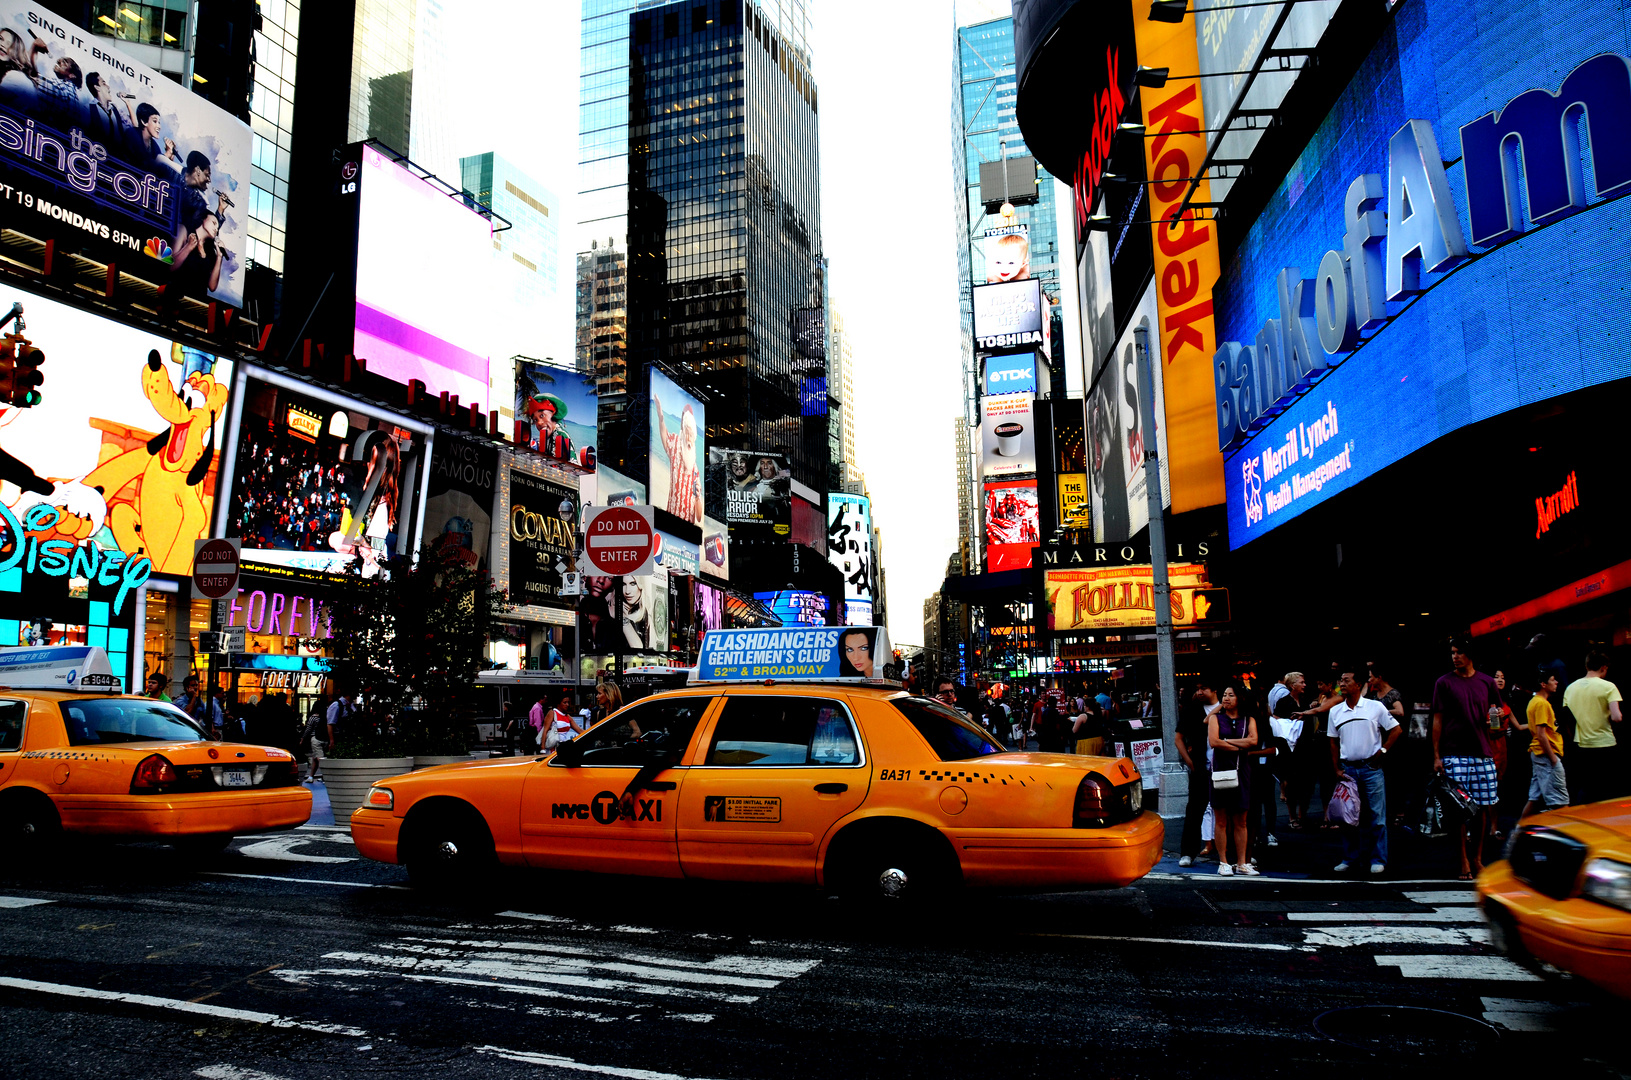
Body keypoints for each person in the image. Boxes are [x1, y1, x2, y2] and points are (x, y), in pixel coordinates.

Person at [1431, 637, 1503, 880]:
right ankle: (1462, 858)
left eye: (1459, 652)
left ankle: (1477, 857)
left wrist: (1495, 723)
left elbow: (1496, 719)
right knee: (1458, 809)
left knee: (1482, 807)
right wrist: (1437, 755)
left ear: (1470, 654)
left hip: (1482, 751)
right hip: (1454, 752)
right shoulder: (1444, 683)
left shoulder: (1487, 682)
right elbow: (1437, 720)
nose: (1455, 656)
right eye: (1452, 652)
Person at [1329, 663, 1401, 874]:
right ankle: (1350, 857)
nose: (1342, 684)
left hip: (1371, 768)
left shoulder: (1375, 707)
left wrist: (1383, 751)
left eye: (1346, 680)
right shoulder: (1335, 711)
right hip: (1348, 769)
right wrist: (1336, 769)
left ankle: (1378, 858)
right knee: (1347, 817)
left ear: (1358, 684)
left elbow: (1396, 730)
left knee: (1376, 816)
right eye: (1341, 681)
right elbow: (1332, 742)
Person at [1208, 683, 1259, 876]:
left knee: (1241, 820)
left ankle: (1241, 862)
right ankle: (1223, 861)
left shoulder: (1249, 719)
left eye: (1231, 695)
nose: (1226, 698)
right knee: (1221, 819)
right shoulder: (1215, 718)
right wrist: (1240, 746)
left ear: (1240, 698)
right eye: (1224, 694)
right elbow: (1214, 742)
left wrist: (1226, 742)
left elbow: (1253, 741)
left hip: (1242, 771)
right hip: (1220, 770)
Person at [1562, 651, 1623, 804]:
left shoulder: (1571, 688)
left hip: (1581, 745)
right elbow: (1617, 717)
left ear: (1586, 666)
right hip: (1605, 743)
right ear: (1603, 667)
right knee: (1607, 788)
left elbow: (1567, 719)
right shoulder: (1609, 687)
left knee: (1587, 787)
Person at [1176, 682, 1217, 867]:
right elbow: (1178, 738)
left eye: (1204, 688)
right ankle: (1187, 853)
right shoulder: (1192, 710)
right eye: (1197, 688)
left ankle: (1233, 853)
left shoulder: (1228, 708)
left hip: (1227, 766)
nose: (1199, 692)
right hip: (1200, 767)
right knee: (1194, 810)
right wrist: (1189, 761)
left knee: (1229, 811)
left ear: (1215, 689)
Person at [1522, 672, 1568, 818]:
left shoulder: (1534, 702)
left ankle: (1516, 835)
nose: (1556, 683)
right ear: (1543, 684)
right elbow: (1541, 734)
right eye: (1553, 680)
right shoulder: (1541, 703)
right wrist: (1553, 759)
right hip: (1545, 755)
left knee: (1534, 798)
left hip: (1538, 754)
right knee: (1560, 803)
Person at [652, 392, 702, 524]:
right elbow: (664, 433)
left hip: (688, 529)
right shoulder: (675, 445)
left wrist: (698, 499)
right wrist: (660, 415)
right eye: (687, 431)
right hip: (671, 521)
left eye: (691, 433)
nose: (689, 437)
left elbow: (699, 517)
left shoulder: (695, 469)